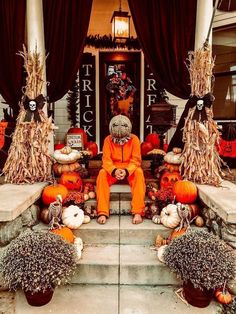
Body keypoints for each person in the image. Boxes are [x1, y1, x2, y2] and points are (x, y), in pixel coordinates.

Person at [96, 114, 146, 224]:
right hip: (113, 170)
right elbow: (106, 160)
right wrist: (114, 171)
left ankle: (137, 211)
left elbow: (136, 160)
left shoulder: (135, 140)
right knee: (102, 173)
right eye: (117, 139)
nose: (120, 140)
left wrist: (127, 171)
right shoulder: (107, 140)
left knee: (139, 172)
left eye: (123, 139)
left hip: (130, 170)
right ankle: (102, 211)